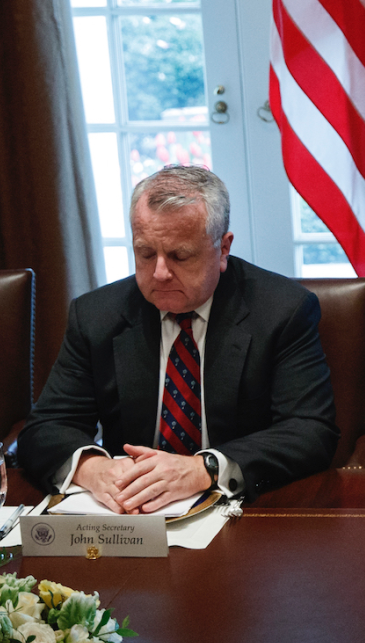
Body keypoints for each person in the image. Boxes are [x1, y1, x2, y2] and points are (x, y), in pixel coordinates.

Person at [18, 166, 338, 512]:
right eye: (145, 253)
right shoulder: (96, 316)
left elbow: (310, 431)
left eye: (179, 256)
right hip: (132, 517)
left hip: (243, 512)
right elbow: (44, 429)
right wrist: (93, 468)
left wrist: (205, 468)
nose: (159, 272)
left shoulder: (282, 310)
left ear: (223, 249)